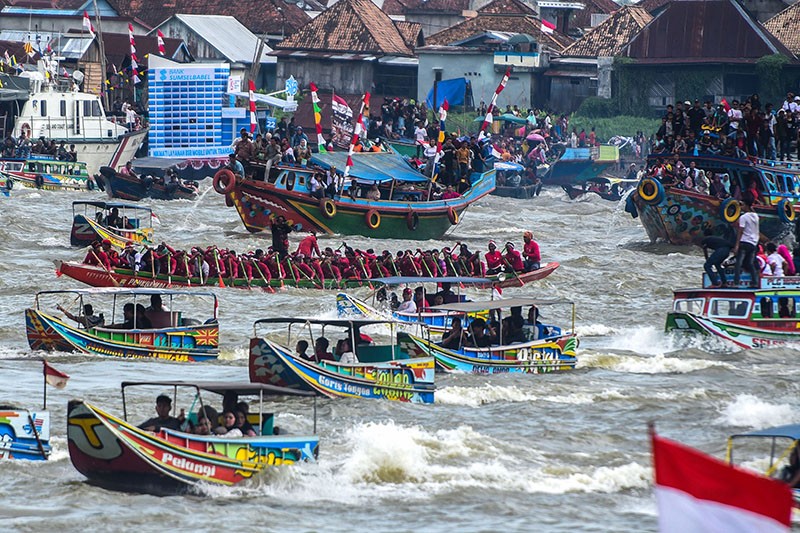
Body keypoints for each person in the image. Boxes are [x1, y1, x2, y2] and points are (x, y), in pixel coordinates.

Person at [733, 199, 760, 288]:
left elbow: (740, 231)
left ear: (746, 206)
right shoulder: (756, 216)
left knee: (738, 263)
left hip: (744, 242)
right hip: (753, 243)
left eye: (742, 205)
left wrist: (736, 245)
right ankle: (755, 282)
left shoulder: (743, 217)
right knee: (750, 263)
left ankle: (736, 282)